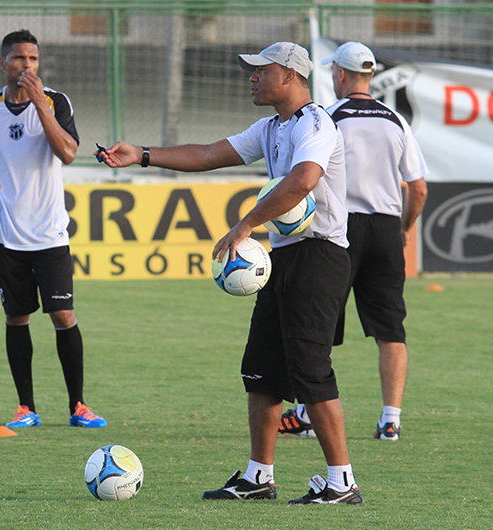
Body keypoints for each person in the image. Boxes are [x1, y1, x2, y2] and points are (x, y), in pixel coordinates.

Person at [100, 42, 362, 504]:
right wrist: (141, 154)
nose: (252, 77)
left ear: (289, 75)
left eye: (261, 70)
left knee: (311, 371)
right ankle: (260, 477)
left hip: (318, 258)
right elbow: (205, 154)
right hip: (282, 259)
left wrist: (245, 225)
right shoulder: (271, 127)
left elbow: (303, 179)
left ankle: (343, 482)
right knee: (260, 371)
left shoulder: (316, 122)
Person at [0, 29, 106, 429]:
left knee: (62, 313)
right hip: (4, 234)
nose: (27, 66)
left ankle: (78, 406)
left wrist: (41, 104)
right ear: (3, 63)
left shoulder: (55, 102)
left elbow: (69, 153)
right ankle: (26, 408)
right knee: (17, 317)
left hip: (50, 233)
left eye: (34, 59)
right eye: (20, 59)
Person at [278, 42, 428, 442]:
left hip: (341, 231)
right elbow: (418, 188)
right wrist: (406, 226)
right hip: (385, 228)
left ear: (340, 75)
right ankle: (391, 419)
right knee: (391, 328)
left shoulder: (327, 118)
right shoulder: (396, 120)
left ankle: (308, 414)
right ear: (370, 75)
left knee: (320, 323)